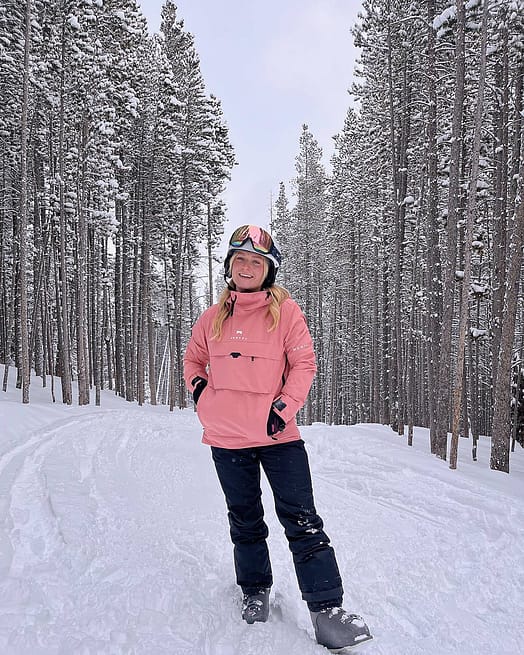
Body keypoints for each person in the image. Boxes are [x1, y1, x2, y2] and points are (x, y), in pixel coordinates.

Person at [183, 225, 372, 650]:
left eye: (256, 261)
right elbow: (193, 360)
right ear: (230, 268)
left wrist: (281, 409)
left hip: (277, 435)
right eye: (239, 260)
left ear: (268, 269)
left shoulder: (286, 313)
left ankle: (327, 612)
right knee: (245, 520)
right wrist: (202, 396)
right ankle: (255, 591)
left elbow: (304, 364)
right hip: (227, 439)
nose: (247, 266)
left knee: (302, 521)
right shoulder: (211, 319)